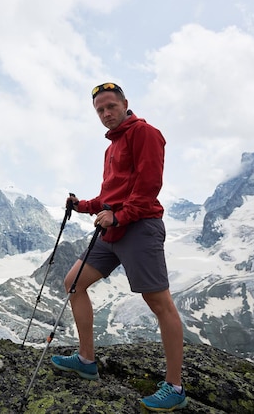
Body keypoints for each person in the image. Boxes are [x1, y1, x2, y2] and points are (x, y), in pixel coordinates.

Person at [50, 82, 187, 411]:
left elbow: (148, 187)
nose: (106, 113)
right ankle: (86, 359)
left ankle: (175, 386)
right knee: (73, 283)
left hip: (139, 227)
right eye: (99, 110)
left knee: (159, 302)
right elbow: (107, 198)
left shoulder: (145, 133)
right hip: (113, 230)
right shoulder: (111, 148)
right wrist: (81, 205)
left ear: (126, 103)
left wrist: (119, 216)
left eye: (110, 106)